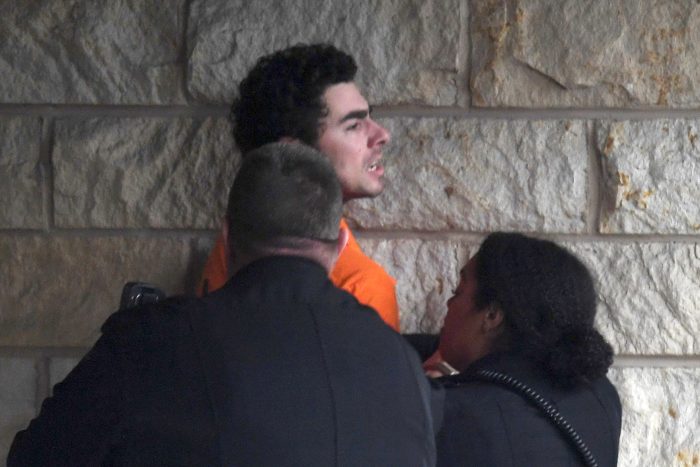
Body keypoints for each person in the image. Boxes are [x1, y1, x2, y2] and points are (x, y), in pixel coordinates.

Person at [8, 143, 438, 466]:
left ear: (227, 237)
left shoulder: (152, 341)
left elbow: (37, 458)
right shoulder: (400, 363)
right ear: (341, 243)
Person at [199, 43, 400, 330]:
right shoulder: (363, 288)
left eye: (369, 116)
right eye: (354, 125)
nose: (382, 134)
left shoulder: (230, 247)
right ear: (293, 150)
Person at [426, 233, 621, 466]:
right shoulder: (601, 395)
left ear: (492, 316)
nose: (449, 304)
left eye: (457, 292)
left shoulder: (449, 417)